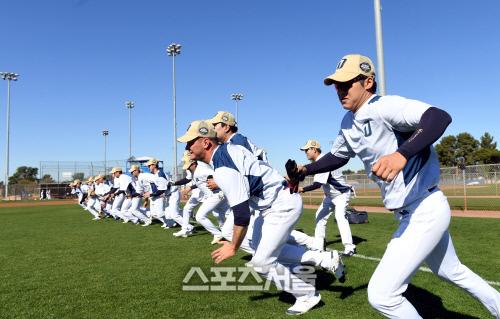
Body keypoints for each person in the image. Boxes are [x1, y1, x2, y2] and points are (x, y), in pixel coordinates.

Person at [286, 54, 500, 318]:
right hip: (411, 212)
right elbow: (339, 156)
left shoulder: (384, 106)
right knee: (451, 271)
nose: (339, 89)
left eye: (347, 83)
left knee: (382, 295)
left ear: (367, 82)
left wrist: (402, 153)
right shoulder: (347, 122)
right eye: (336, 85)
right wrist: (305, 170)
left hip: (425, 208)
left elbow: (438, 117)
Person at [178, 120, 344, 315]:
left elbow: (241, 214)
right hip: (273, 202)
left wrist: (232, 246)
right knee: (261, 252)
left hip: (280, 205)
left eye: (190, 142)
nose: (187, 147)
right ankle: (324, 259)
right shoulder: (230, 149)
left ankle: (307, 295)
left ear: (206, 143)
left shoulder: (223, 167)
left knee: (261, 263)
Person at [298, 139, 356, 256]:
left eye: (307, 150)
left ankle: (350, 248)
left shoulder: (323, 162)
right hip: (330, 196)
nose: (306, 153)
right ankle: (319, 245)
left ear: (314, 149)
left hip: (341, 194)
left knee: (340, 217)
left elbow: (317, 185)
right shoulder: (319, 163)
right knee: (319, 216)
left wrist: (302, 189)